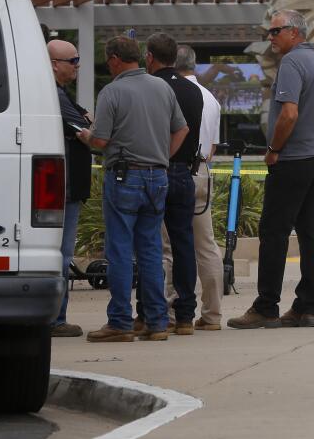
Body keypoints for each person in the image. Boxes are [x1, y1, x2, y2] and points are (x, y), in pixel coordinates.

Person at [227, 10, 314, 330]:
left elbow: (289, 114)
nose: (270, 37)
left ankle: (266, 306)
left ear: (294, 32)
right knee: (310, 234)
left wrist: (274, 150)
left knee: (274, 232)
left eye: (275, 31)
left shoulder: (292, 63)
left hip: (293, 159)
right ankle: (306, 308)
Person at [78, 36, 188, 343]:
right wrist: (163, 157)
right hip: (157, 177)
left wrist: (86, 134)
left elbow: (100, 142)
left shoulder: (112, 92)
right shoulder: (162, 87)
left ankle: (120, 322)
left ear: (114, 59)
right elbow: (182, 128)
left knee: (120, 251)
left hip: (124, 176)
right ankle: (156, 321)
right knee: (151, 250)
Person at [132, 33, 203, 336]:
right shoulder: (193, 91)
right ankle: (186, 313)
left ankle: (148, 311)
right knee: (184, 243)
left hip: (155, 168)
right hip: (185, 172)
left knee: (150, 244)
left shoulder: (149, 89)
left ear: (149, 57)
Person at [170, 44, 225, 331]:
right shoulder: (211, 98)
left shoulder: (172, 92)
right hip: (201, 169)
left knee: (169, 245)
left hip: (175, 169)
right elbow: (212, 147)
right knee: (206, 245)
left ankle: (169, 313)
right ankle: (213, 313)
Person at [48, 39, 92, 338]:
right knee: (61, 254)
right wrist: (87, 124)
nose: (77, 66)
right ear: (54, 64)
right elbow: (88, 129)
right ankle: (56, 318)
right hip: (64, 188)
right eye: (72, 60)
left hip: (62, 186)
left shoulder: (60, 94)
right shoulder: (54, 95)